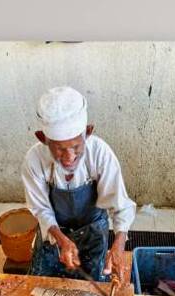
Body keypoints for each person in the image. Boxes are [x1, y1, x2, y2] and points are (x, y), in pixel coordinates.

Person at [22, 86, 136, 282]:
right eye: (59, 149)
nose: (69, 157)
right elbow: (41, 209)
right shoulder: (34, 160)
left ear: (88, 132)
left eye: (76, 146)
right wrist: (61, 239)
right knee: (39, 283)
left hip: (93, 229)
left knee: (95, 285)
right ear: (43, 139)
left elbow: (120, 205)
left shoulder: (99, 153)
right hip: (55, 229)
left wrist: (118, 245)